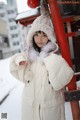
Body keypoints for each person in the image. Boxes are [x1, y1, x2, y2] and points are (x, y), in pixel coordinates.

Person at [9, 15, 74, 120]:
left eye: (44, 35)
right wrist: (19, 60)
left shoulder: (55, 57)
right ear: (32, 36)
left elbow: (64, 78)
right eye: (37, 34)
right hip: (30, 107)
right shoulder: (29, 57)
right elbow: (14, 69)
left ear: (50, 37)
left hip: (50, 109)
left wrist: (50, 60)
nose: (39, 39)